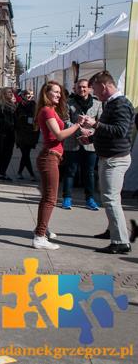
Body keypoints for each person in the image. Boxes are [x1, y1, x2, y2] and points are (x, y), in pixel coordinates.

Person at [79, 71, 134, 254]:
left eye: (94, 89)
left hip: (115, 159)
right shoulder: (110, 103)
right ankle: (113, 230)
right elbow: (108, 130)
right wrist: (92, 138)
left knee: (111, 199)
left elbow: (120, 130)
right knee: (109, 197)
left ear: (104, 86)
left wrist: (95, 125)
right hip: (109, 156)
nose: (94, 93)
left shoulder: (121, 104)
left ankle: (120, 241)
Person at [32, 80, 82, 250]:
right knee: (50, 198)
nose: (59, 95)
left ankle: (42, 230)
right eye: (55, 92)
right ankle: (39, 236)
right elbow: (59, 135)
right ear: (46, 93)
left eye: (60, 92)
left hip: (53, 156)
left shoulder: (52, 110)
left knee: (47, 197)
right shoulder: (46, 111)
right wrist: (77, 126)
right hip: (49, 157)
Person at [61, 79, 102, 211]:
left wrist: (91, 131)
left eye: (84, 87)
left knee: (89, 172)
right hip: (72, 143)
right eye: (79, 87)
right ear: (75, 89)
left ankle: (90, 198)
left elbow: (100, 121)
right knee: (70, 171)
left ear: (89, 88)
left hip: (90, 143)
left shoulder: (97, 103)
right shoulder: (69, 103)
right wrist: (78, 128)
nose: (82, 89)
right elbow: (64, 121)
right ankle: (67, 198)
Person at [14, 89, 39, 181]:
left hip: (31, 134)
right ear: (23, 95)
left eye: (31, 94)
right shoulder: (18, 106)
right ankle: (31, 174)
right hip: (21, 134)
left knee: (26, 154)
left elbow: (37, 120)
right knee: (25, 154)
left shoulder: (34, 105)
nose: (30, 96)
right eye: (28, 94)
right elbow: (15, 119)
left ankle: (20, 172)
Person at [0, 87, 17, 181]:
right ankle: (2, 173)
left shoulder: (14, 104)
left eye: (11, 92)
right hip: (2, 132)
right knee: (2, 152)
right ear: (4, 94)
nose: (11, 93)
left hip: (12, 132)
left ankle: (4, 171)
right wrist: (4, 121)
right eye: (9, 92)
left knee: (9, 152)